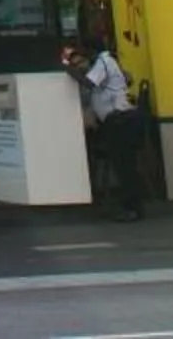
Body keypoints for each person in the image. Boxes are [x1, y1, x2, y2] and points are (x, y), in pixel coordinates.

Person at [62, 36, 145, 221]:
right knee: (124, 166)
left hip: (119, 121)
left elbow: (89, 83)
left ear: (91, 51)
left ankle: (132, 209)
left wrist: (68, 69)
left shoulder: (103, 61)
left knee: (124, 167)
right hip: (117, 120)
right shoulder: (106, 61)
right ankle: (132, 207)